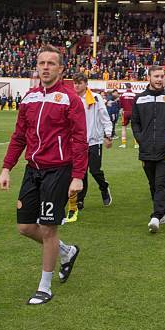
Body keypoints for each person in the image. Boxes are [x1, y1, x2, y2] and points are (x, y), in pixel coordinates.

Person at [0, 44, 88, 305]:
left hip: (58, 170)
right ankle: (66, 251)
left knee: (49, 229)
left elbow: (80, 140)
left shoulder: (70, 99)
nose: (45, 67)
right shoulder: (29, 98)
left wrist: (78, 175)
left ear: (61, 69)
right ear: (36, 67)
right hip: (32, 170)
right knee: (25, 227)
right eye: (41, 63)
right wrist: (6, 168)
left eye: (51, 63)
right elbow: (18, 137)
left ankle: (44, 287)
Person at [131, 65, 165, 233]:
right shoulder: (139, 98)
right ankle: (162, 211)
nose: (160, 79)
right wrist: (140, 138)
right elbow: (135, 122)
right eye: (156, 76)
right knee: (152, 183)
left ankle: (156, 216)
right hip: (146, 149)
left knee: (161, 182)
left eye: (162, 76)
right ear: (149, 78)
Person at [65, 73, 113, 222]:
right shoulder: (72, 99)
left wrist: (108, 134)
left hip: (94, 141)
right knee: (81, 172)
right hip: (78, 142)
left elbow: (104, 117)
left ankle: (104, 187)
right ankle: (80, 200)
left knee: (95, 170)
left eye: (80, 83)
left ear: (86, 83)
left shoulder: (95, 98)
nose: (77, 86)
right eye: (75, 83)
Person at [119, 82, 137, 148]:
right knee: (134, 128)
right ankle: (136, 144)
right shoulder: (134, 95)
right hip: (133, 112)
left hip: (125, 112)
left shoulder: (123, 95)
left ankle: (123, 144)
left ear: (126, 87)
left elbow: (120, 105)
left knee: (124, 128)